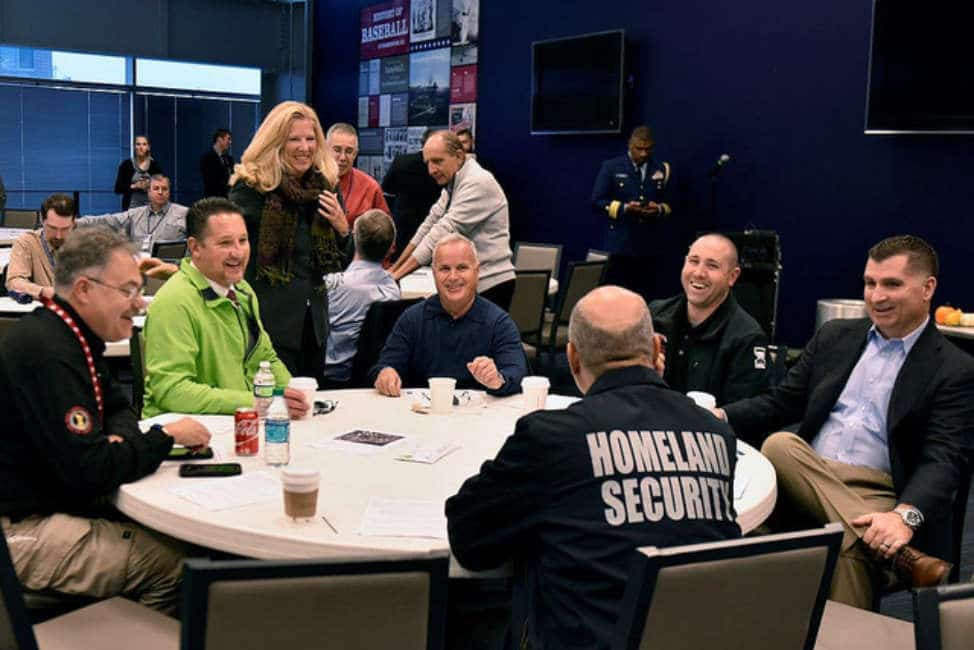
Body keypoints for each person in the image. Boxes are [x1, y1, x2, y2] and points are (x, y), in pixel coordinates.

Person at [446, 286, 740, 649]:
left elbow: (469, 539)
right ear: (655, 351)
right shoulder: (716, 434)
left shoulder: (552, 437)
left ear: (572, 358)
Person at [714, 235, 974, 610]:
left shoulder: (955, 369)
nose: (876, 296)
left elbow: (944, 459)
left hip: (881, 492)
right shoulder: (836, 336)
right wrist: (719, 416)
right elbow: (781, 402)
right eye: (870, 283)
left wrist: (904, 516)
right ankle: (899, 558)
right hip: (804, 474)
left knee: (847, 549)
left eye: (892, 284)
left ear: (927, 288)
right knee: (780, 446)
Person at [0, 226, 211, 614]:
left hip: (48, 505)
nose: (141, 303)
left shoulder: (71, 335)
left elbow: (118, 409)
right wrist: (162, 437)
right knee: (178, 566)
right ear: (84, 289)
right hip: (20, 530)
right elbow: (90, 471)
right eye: (128, 290)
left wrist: (116, 442)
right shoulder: (49, 352)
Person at [142, 198, 308, 419]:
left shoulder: (243, 290)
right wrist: (260, 401)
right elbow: (172, 391)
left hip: (240, 424)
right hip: (184, 437)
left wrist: (294, 395)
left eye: (243, 240)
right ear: (195, 247)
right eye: (225, 243)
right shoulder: (174, 303)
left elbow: (265, 358)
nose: (238, 253)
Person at [229, 101, 352, 381]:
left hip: (313, 326)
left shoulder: (326, 186)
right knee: (274, 410)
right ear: (276, 142)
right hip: (267, 324)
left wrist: (343, 229)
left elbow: (340, 264)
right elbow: (232, 253)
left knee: (309, 410)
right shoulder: (252, 187)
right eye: (294, 139)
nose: (304, 147)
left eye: (310, 139)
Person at [372, 234, 526, 397]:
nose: (453, 277)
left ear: (477, 271)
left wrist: (497, 379)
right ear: (434, 273)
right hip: (422, 415)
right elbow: (385, 365)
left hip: (478, 416)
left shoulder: (499, 323)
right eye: (445, 269)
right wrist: (385, 373)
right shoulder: (412, 319)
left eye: (462, 268)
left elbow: (516, 373)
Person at [389, 130, 515, 311]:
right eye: (428, 163)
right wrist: (395, 269)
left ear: (458, 155)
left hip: (491, 286)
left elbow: (442, 231)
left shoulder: (477, 182)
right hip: (475, 286)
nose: (431, 170)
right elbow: (429, 225)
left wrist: (397, 275)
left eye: (437, 161)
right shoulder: (454, 183)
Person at [650, 233, 768, 405]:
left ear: (732, 276)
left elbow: (748, 414)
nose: (699, 273)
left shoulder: (747, 338)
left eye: (712, 266)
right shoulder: (653, 315)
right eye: (694, 261)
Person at [591, 125, 672, 301]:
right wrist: (625, 208)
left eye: (648, 149)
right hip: (620, 246)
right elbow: (597, 201)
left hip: (649, 246)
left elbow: (670, 204)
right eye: (639, 148)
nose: (643, 154)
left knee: (646, 298)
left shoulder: (661, 169)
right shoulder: (612, 167)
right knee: (618, 298)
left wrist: (657, 209)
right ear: (630, 145)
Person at [323, 209, 400, 385]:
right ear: (391, 248)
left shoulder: (332, 284)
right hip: (369, 378)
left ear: (355, 238)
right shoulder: (392, 291)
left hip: (329, 376)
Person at [83, 174, 187, 255]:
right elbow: (109, 221)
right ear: (148, 192)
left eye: (164, 189)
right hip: (140, 271)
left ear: (169, 192)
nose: (160, 192)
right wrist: (77, 222)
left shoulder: (183, 213)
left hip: (169, 271)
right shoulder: (135, 214)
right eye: (156, 188)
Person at [382, 129, 442, 260]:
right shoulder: (443, 167)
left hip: (403, 226)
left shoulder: (401, 161)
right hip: (433, 227)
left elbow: (386, 188)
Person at [5, 193, 76, 301]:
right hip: (45, 312)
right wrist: (42, 291)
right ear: (42, 220)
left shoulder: (86, 245)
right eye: (52, 228)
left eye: (65, 229)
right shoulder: (27, 243)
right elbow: (14, 282)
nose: (58, 236)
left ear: (74, 223)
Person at [326, 123, 391, 229]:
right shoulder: (309, 179)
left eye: (349, 151)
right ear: (325, 150)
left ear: (355, 154)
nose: (342, 157)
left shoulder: (370, 187)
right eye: (337, 150)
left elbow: (385, 234)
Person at [114, 135, 163, 211]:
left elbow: (161, 187)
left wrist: (149, 185)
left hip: (151, 208)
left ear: (148, 147)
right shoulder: (126, 165)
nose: (141, 147)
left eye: (144, 144)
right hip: (131, 209)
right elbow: (117, 189)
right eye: (138, 144)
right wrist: (134, 186)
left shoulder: (154, 166)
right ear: (134, 147)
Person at [200, 128, 234, 198]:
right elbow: (211, 182)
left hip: (227, 199)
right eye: (228, 139)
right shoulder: (207, 158)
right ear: (219, 139)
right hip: (213, 200)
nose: (230, 142)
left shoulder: (229, 159)